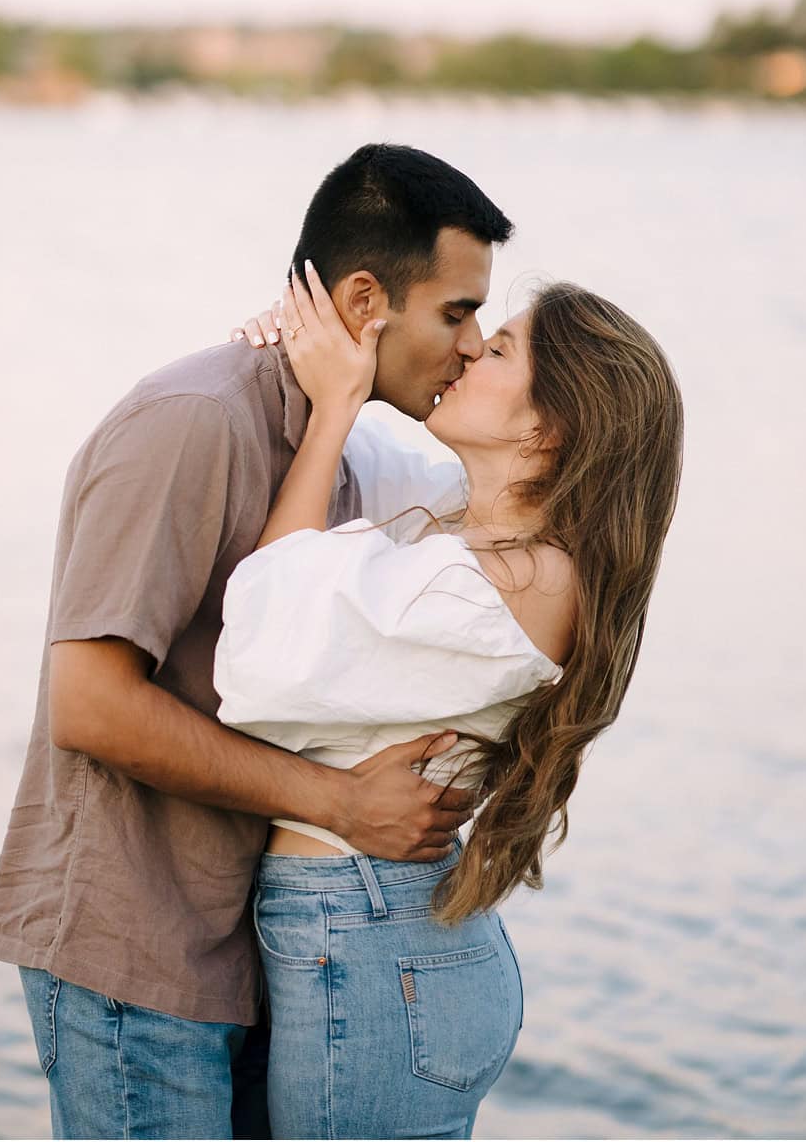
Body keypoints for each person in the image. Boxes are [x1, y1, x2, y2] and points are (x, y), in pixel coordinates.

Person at [0, 143, 515, 1139]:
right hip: (135, 953)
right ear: (366, 300)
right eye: (456, 312)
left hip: (254, 954)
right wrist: (343, 805)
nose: (474, 346)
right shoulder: (195, 422)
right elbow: (88, 704)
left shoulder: (342, 441)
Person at [216, 267, 682, 1137]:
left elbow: (255, 656)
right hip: (370, 930)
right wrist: (299, 359)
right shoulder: (472, 531)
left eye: (500, 347)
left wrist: (331, 408)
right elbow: (354, 460)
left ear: (546, 429)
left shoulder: (514, 583)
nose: (469, 348)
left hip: (373, 937)